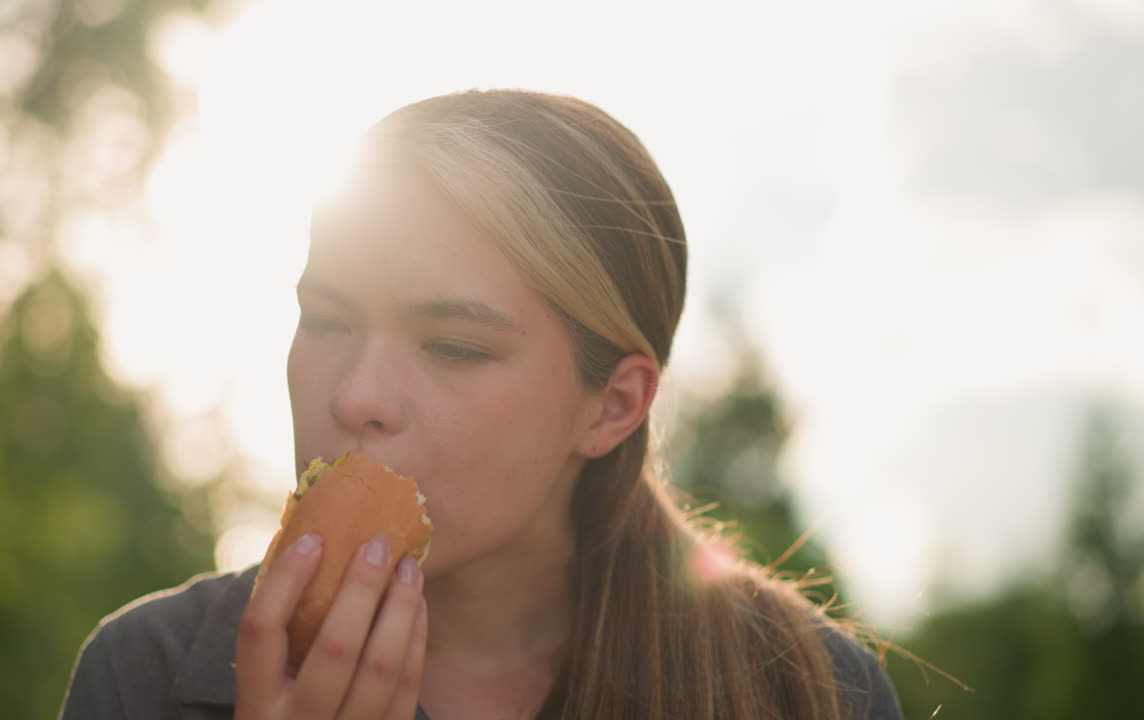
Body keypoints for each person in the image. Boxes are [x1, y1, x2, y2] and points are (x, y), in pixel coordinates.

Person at [60, 89, 902, 720]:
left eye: (455, 348)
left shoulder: (813, 691)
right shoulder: (143, 676)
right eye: (326, 320)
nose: (356, 396)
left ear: (612, 406)